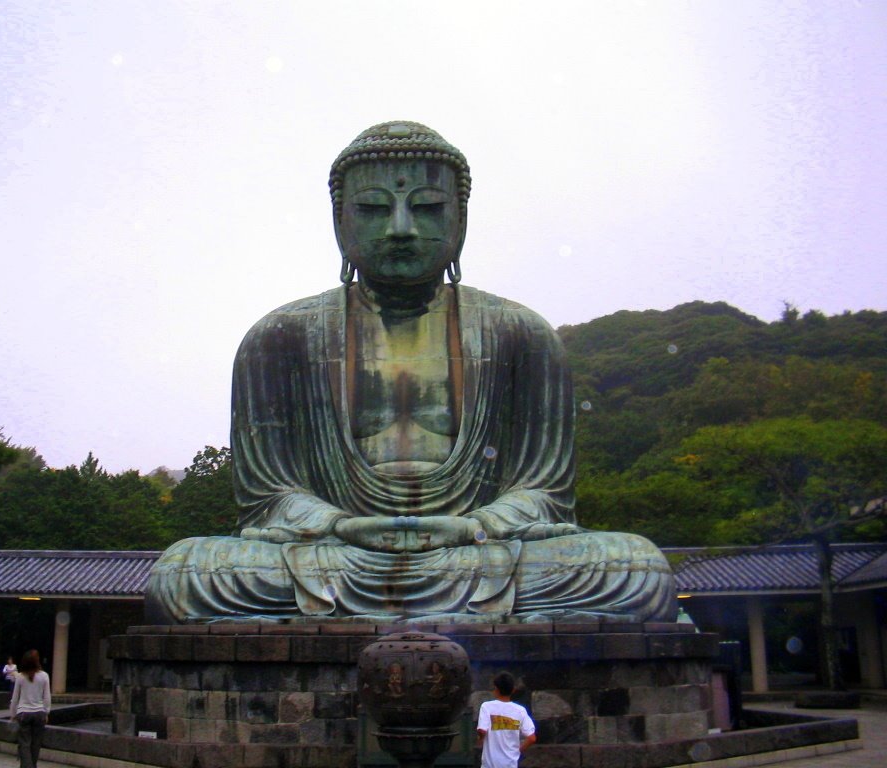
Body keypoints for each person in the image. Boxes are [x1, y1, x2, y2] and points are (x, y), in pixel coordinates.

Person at [145, 121, 676, 624]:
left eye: (427, 207)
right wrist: (340, 525)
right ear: (339, 221)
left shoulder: (521, 334)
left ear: (461, 220)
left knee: (634, 569)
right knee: (186, 573)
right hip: (335, 556)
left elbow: (544, 492)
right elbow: (269, 498)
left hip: (479, 552)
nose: (401, 229)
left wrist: (476, 526)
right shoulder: (280, 337)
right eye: (374, 209)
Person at [476, 672, 536, 768]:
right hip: (510, 764)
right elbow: (532, 738)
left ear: (495, 689)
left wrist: (480, 739)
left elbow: (482, 730)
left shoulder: (487, 707)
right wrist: (517, 752)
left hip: (490, 764)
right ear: (513, 690)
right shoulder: (520, 711)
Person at [10, 649, 51, 768]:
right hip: (39, 713)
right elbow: (47, 697)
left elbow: (15, 698)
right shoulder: (44, 676)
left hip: (23, 713)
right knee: (36, 744)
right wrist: (46, 712)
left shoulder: (21, 677)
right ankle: (32, 765)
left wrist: (13, 714)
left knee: (24, 744)